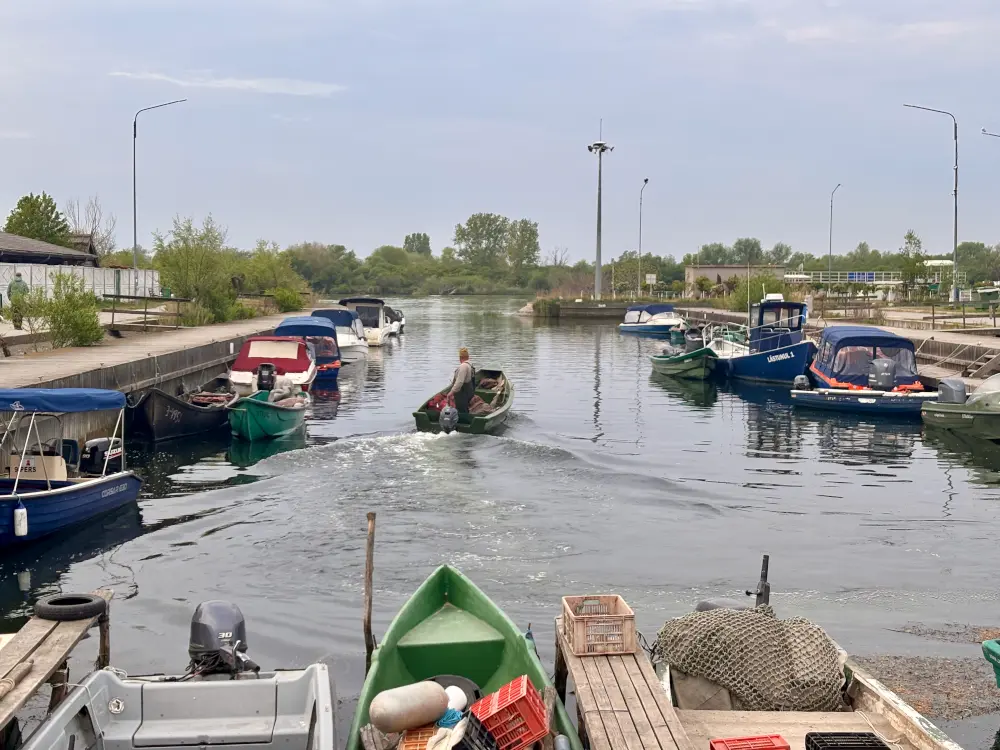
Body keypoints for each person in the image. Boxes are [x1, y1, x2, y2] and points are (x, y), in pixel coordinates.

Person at [448, 347, 476, 413]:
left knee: (462, 412)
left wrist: (450, 393)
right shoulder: (470, 365)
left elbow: (459, 382)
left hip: (462, 395)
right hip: (468, 394)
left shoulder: (463, 366)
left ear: (460, 357)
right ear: (468, 357)